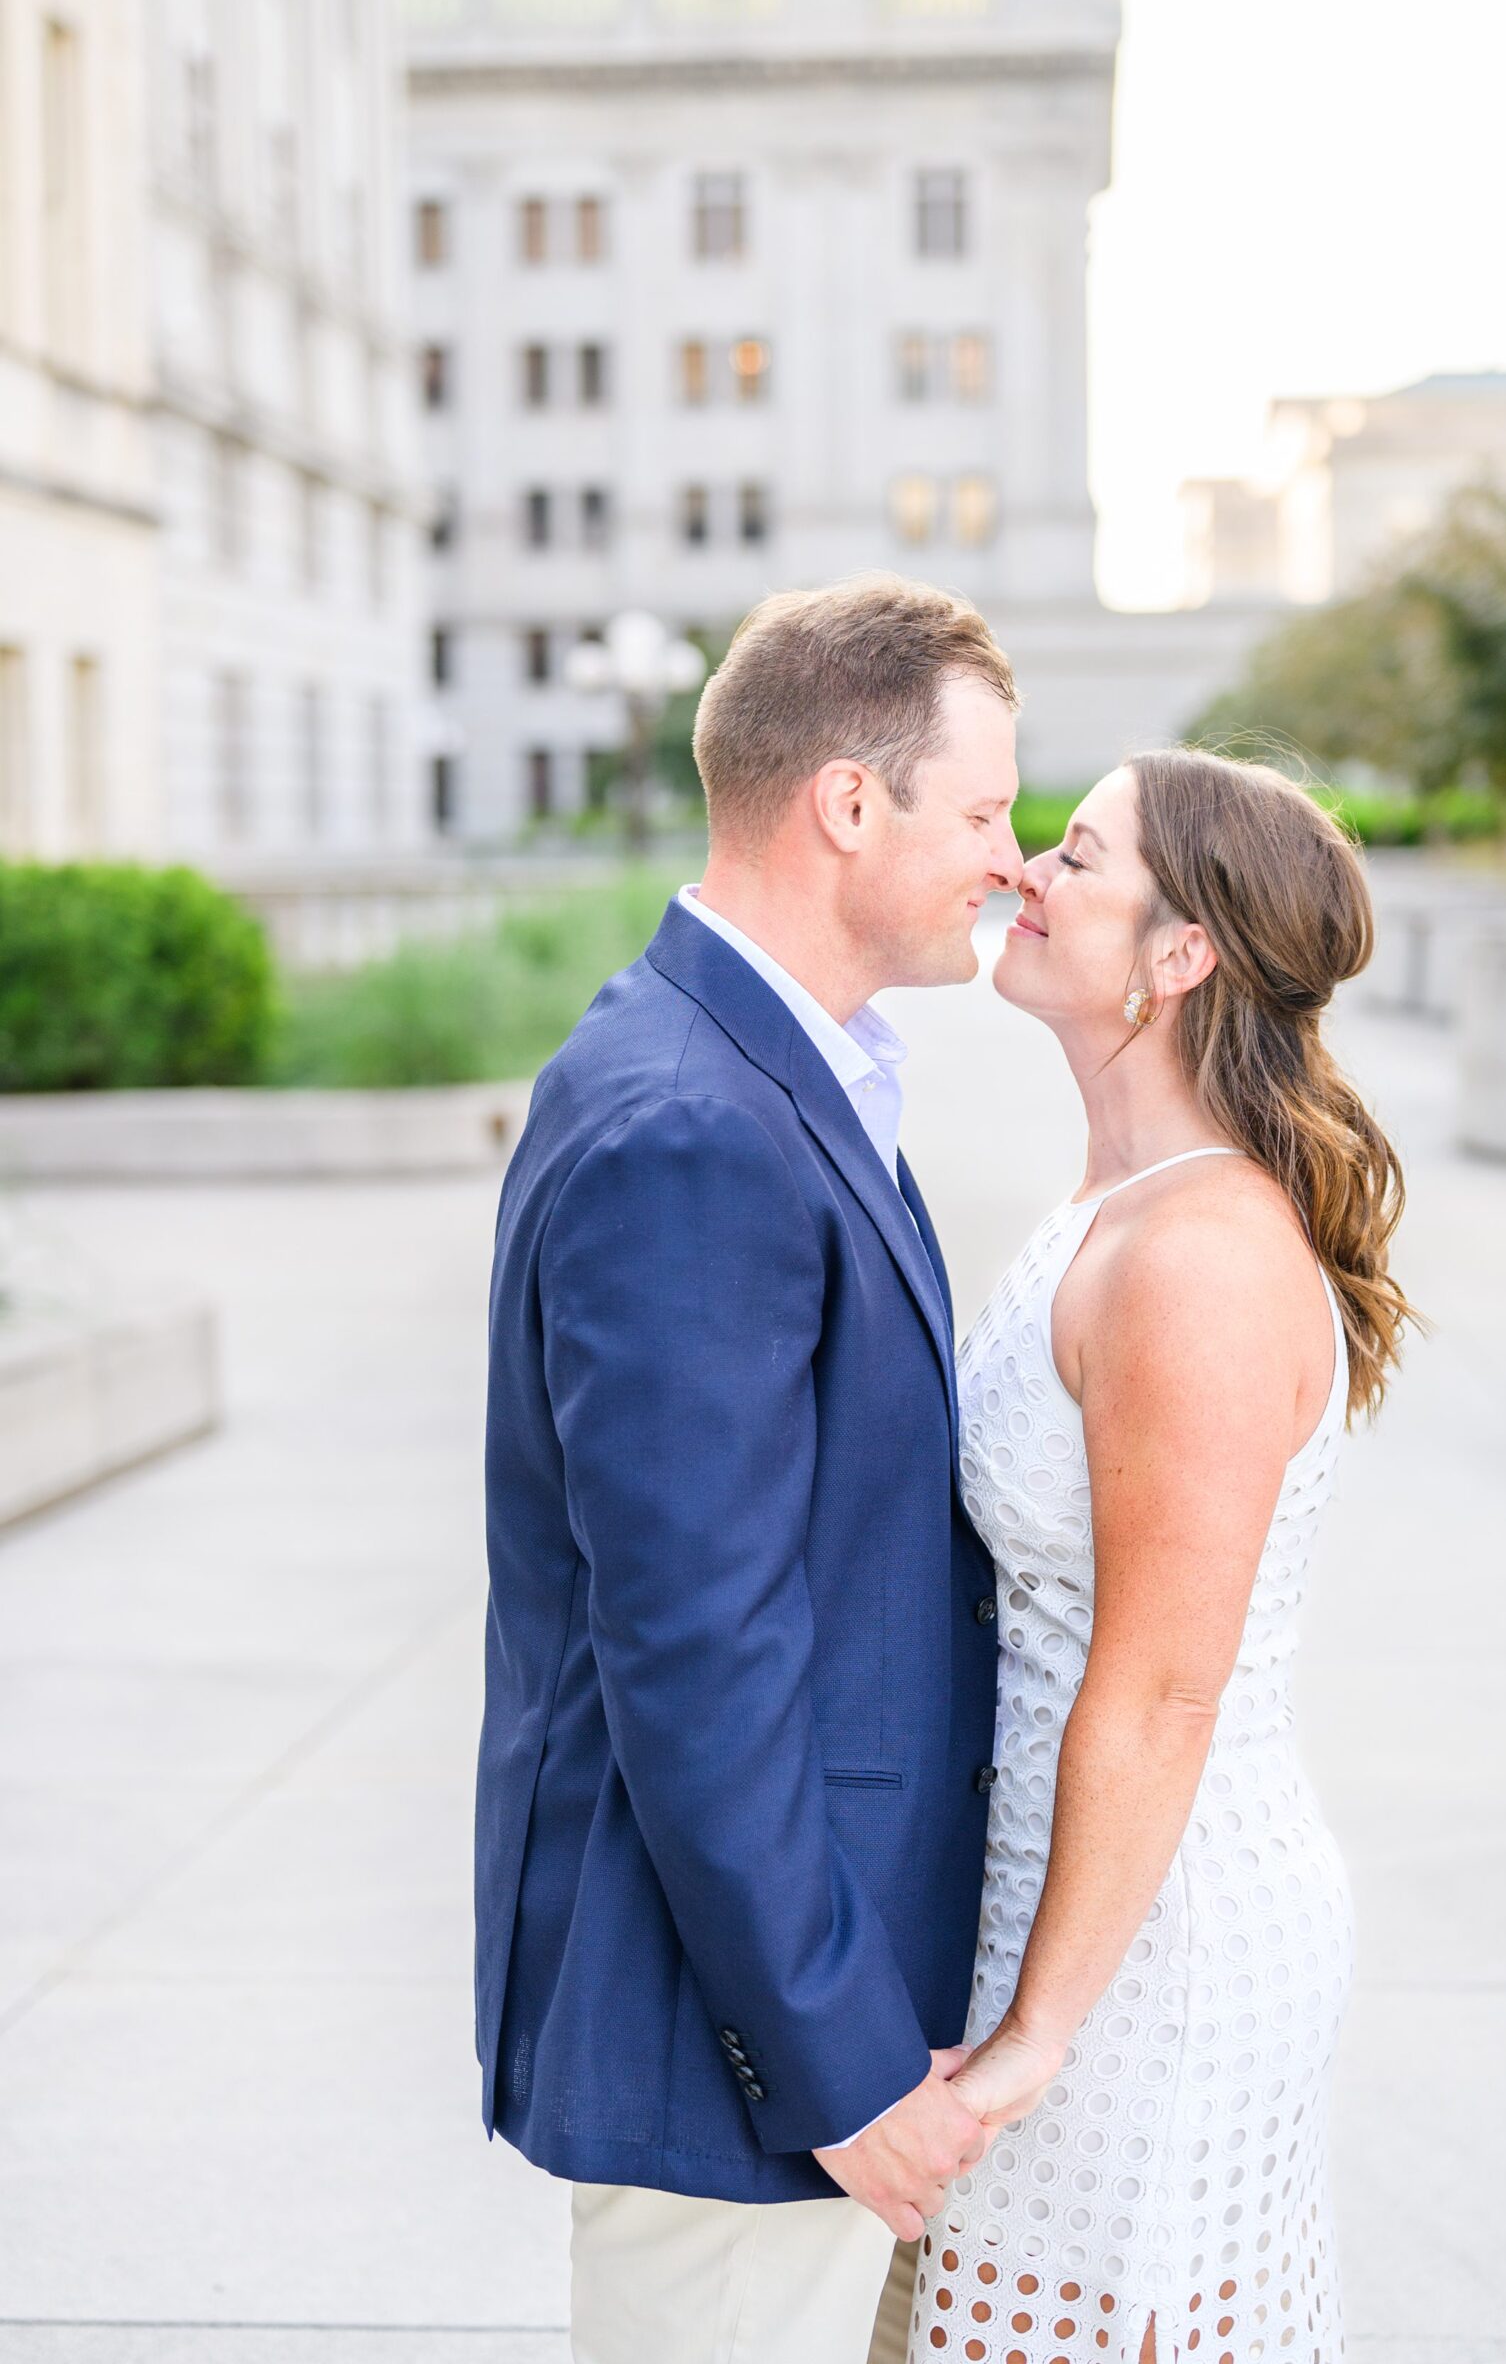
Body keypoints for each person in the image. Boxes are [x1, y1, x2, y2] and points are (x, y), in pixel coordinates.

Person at [476, 575, 1026, 2364]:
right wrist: (837, 2066)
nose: (1008, 859)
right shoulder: (690, 1127)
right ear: (847, 806)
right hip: (736, 2061)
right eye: (984, 810)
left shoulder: (771, 1068)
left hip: (809, 2003)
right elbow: (695, 1651)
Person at [906, 749, 1417, 2364]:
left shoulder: (1194, 1256)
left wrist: (1033, 2040)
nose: (1028, 877)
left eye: (1076, 853)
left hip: (1149, 1955)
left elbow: (1164, 1687)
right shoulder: (1115, 1200)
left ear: (1181, 951)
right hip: (1069, 1912)